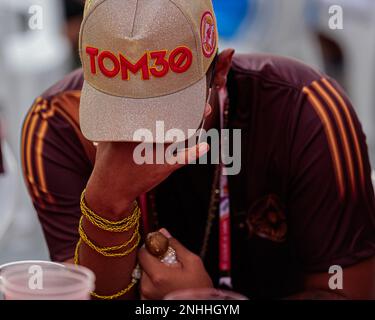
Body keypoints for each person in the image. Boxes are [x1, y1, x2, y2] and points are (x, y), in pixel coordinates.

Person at [21, 0, 375, 300]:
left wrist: (212, 304)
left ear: (220, 72)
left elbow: (352, 292)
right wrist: (105, 205)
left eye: (166, 110)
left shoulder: (305, 108)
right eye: (120, 110)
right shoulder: (58, 124)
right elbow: (82, 292)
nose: (146, 132)